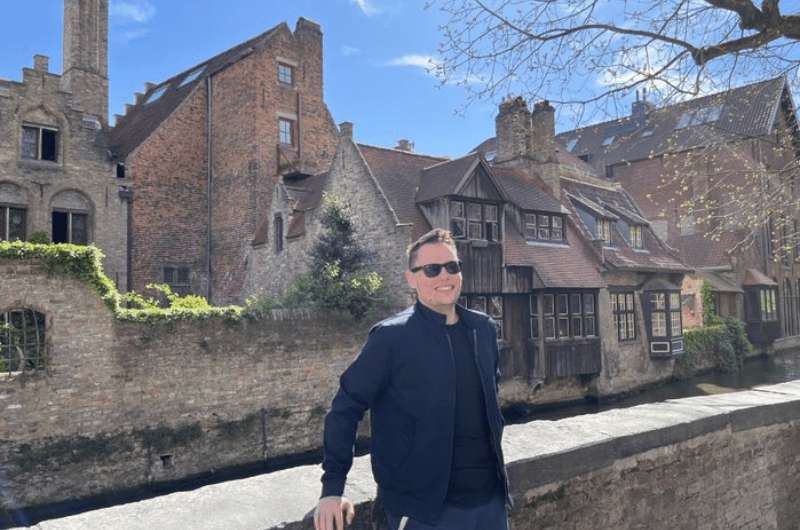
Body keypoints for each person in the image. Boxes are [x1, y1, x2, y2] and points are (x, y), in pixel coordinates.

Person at [313, 228, 511, 530]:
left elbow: (488, 410)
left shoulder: (482, 330)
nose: (444, 276)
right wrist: (332, 489)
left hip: (490, 505)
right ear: (412, 279)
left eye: (452, 267)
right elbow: (345, 407)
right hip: (424, 513)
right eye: (432, 269)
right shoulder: (392, 337)